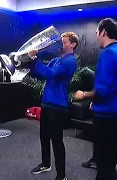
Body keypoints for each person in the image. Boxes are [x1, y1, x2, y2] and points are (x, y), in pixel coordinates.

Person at [74, 18, 117, 180]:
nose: (97, 37)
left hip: (105, 115)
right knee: (112, 151)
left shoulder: (107, 53)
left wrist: (84, 95)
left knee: (102, 157)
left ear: (104, 32)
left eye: (97, 33)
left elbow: (103, 90)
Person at [29, 32, 79, 180]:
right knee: (44, 136)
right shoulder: (57, 60)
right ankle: (45, 163)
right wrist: (31, 61)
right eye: (61, 42)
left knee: (56, 140)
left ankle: (61, 175)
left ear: (72, 44)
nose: (61, 44)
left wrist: (35, 58)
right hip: (46, 103)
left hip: (58, 106)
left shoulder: (70, 61)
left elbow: (52, 74)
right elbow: (41, 72)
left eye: (64, 42)